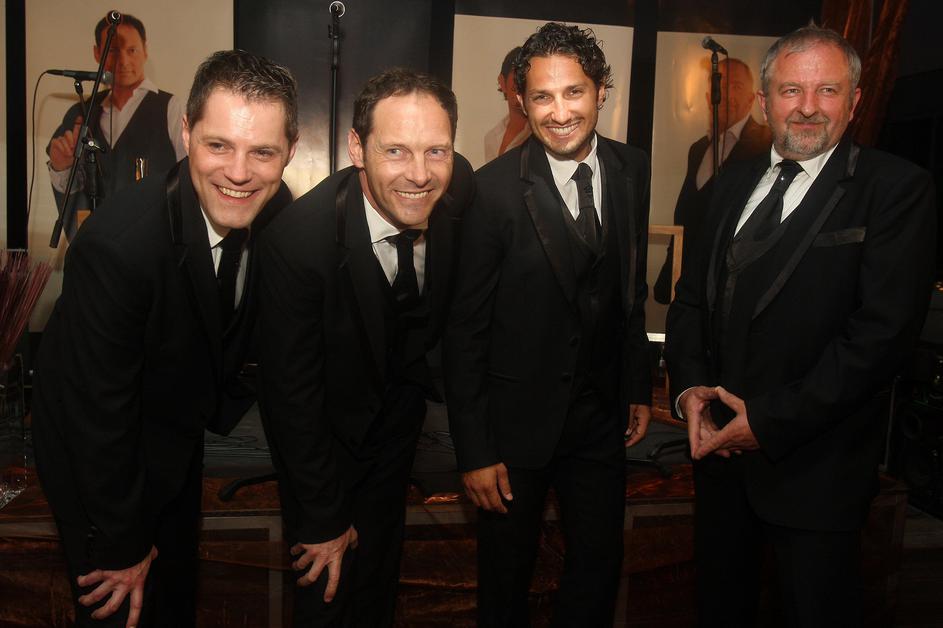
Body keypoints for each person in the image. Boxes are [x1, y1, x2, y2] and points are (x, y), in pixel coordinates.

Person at [665, 25, 936, 626]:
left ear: (855, 101)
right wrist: (688, 392)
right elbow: (689, 303)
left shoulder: (895, 190)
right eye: (791, 90)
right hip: (720, 468)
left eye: (827, 90)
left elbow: (881, 339)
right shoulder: (727, 187)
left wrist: (766, 422)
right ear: (765, 102)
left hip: (818, 476)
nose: (808, 107)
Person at [32, 50, 298, 627]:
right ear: (185, 134)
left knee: (174, 594)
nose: (239, 172)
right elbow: (96, 417)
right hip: (98, 459)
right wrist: (121, 543)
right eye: (218, 145)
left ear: (289, 153)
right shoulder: (119, 247)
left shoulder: (278, 209)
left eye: (262, 152)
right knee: (124, 603)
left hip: (172, 429)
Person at [444, 22, 652, 625]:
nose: (559, 113)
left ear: (601, 91)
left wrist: (637, 384)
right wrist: (475, 450)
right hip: (514, 432)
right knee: (505, 579)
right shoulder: (490, 192)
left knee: (597, 568)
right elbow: (464, 330)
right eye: (541, 96)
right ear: (521, 100)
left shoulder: (632, 168)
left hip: (600, 421)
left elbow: (629, 291)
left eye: (574, 92)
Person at [257, 67, 474, 626]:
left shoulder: (458, 193)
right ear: (357, 148)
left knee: (378, 593)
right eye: (395, 150)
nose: (420, 174)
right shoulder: (298, 243)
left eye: (437, 151)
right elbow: (291, 400)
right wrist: (322, 518)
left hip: (398, 436)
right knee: (327, 602)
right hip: (326, 450)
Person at [46, 12, 187, 237]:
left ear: (145, 50)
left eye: (132, 50)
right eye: (112, 51)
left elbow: (188, 174)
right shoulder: (83, 112)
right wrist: (61, 166)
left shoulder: (169, 107)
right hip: (99, 239)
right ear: (97, 53)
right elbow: (74, 193)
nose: (123, 61)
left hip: (153, 238)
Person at [654, 57, 771, 303]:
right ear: (709, 97)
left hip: (731, 289)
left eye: (736, 86)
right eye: (721, 85)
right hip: (686, 285)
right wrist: (671, 272)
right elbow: (686, 213)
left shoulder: (766, 147)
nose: (726, 94)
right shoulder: (698, 149)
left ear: (752, 99)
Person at [483, 46, 531, 163]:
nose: (522, 92)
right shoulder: (491, 137)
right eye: (515, 87)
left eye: (527, 85)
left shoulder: (543, 135)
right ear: (502, 82)